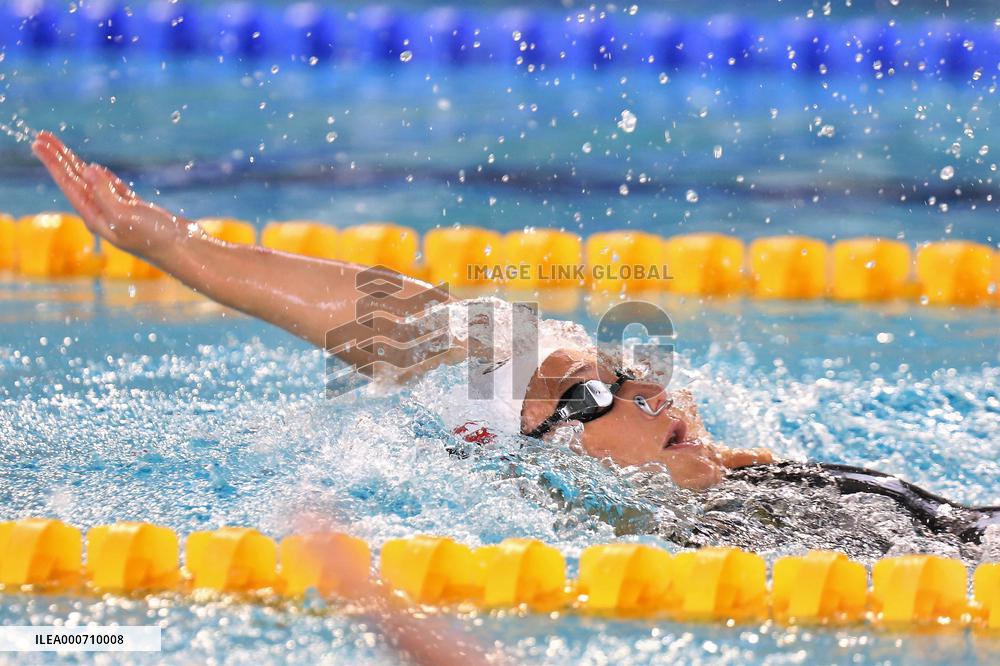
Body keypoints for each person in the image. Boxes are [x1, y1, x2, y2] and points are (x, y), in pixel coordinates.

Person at [32, 131, 1000, 547]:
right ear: (532, 456)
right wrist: (166, 247)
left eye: (627, 372)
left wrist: (173, 243)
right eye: (588, 400)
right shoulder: (640, 535)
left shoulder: (791, 490)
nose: (645, 395)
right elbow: (380, 320)